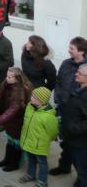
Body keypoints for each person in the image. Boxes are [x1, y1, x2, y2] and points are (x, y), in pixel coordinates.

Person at [50, 36, 87, 176]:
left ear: (81, 51)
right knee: (66, 142)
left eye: (72, 48)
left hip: (78, 113)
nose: (69, 50)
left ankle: (82, 176)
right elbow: (58, 80)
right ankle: (64, 166)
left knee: (78, 146)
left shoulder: (85, 70)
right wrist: (58, 97)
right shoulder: (66, 63)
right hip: (63, 107)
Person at [19, 87, 58, 187]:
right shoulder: (29, 106)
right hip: (29, 141)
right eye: (32, 96)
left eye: (34, 97)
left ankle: (42, 181)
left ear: (41, 101)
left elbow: (53, 132)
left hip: (39, 145)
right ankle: (30, 174)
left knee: (42, 163)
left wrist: (45, 140)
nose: (31, 98)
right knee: (31, 159)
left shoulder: (48, 116)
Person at [62, 63, 87, 187]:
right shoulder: (79, 88)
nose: (76, 74)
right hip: (72, 137)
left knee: (83, 169)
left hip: (81, 141)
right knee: (78, 165)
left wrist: (73, 128)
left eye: (80, 73)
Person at [0, 30, 15, 131]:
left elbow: (10, 62)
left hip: (0, 78)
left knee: (1, 102)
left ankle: (2, 123)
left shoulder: (6, 43)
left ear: (0, 32)